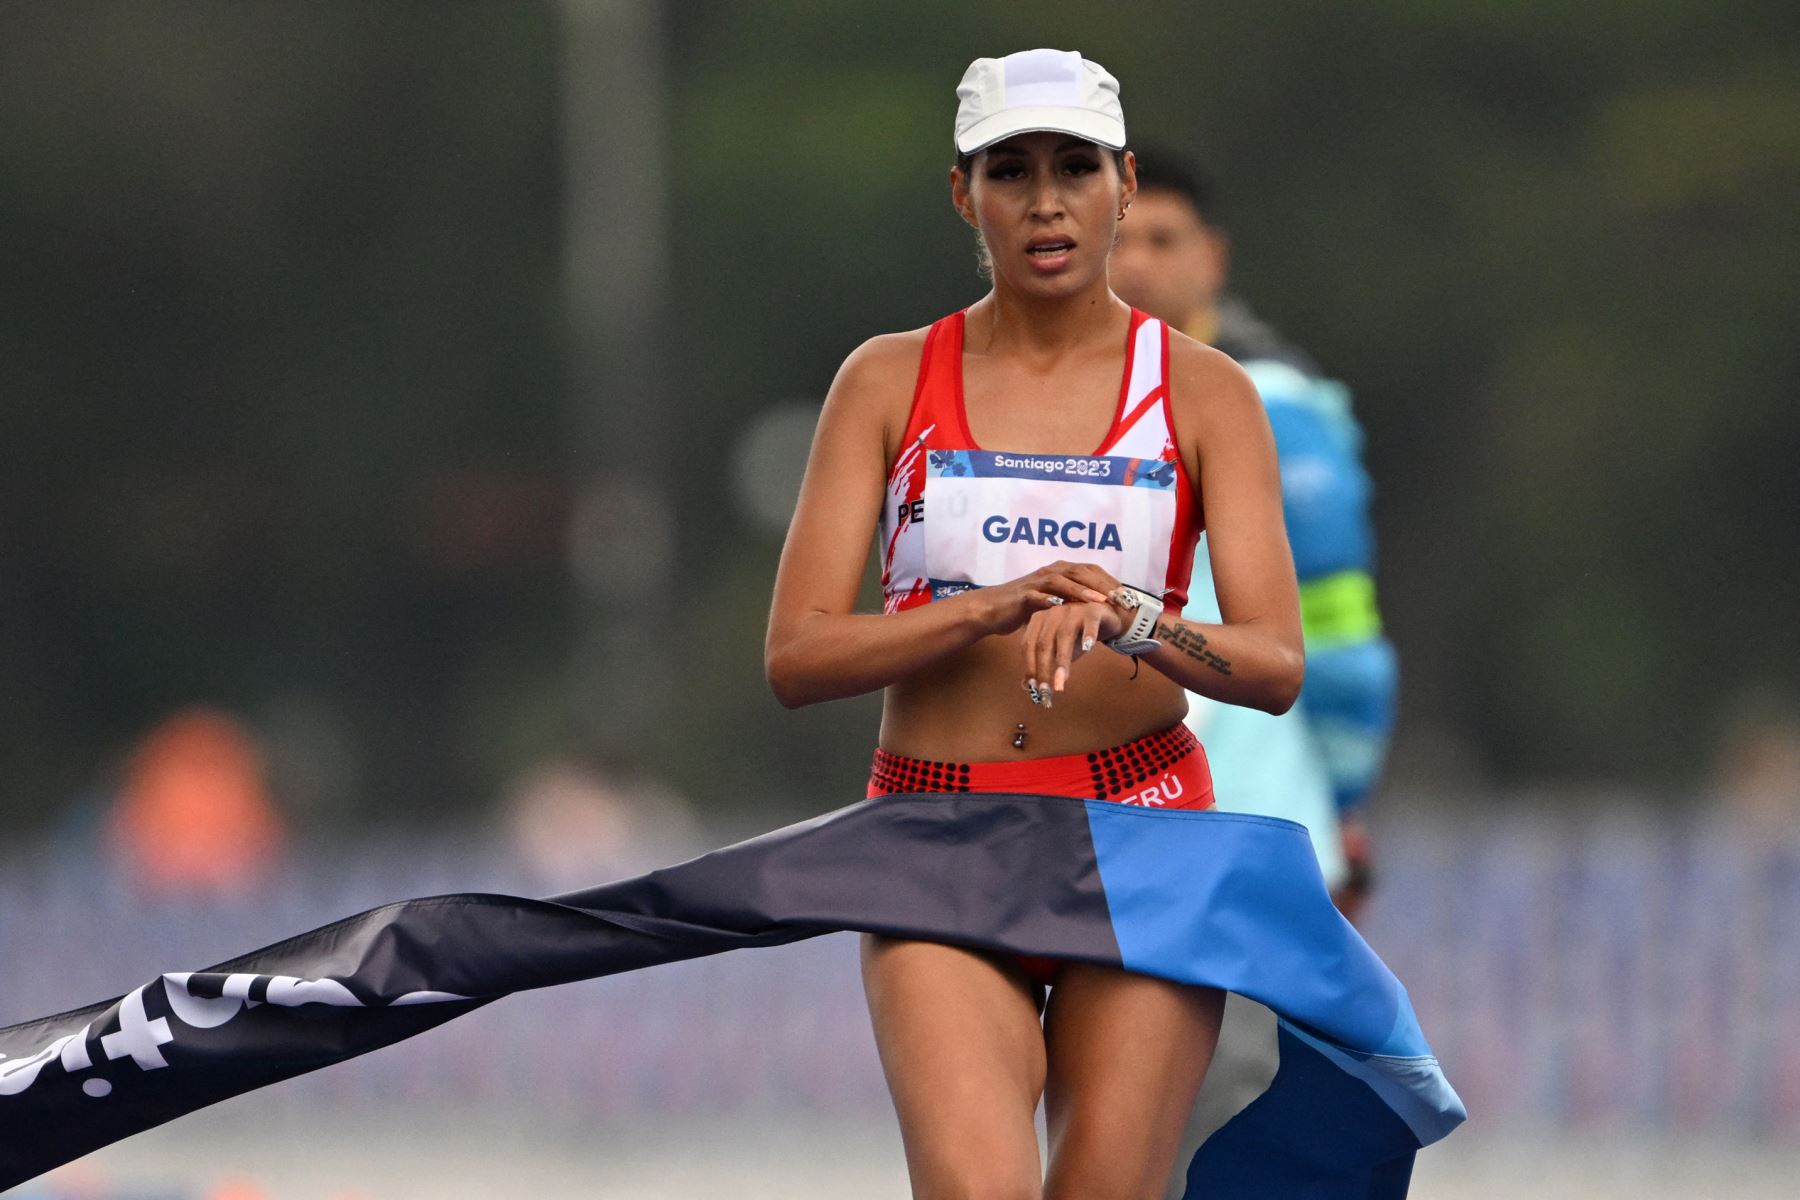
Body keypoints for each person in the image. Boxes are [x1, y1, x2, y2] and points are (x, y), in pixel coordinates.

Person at [765, 49, 1303, 1200]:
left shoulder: (1208, 393)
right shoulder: (885, 380)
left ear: (1123, 181)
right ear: (965, 195)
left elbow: (1273, 665)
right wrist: (986, 609)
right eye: (1011, 172)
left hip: (1143, 829)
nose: (1046, 201)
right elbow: (798, 656)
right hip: (935, 834)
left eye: (1074, 168)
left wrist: (1133, 617)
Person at [1109, 146, 1400, 1196]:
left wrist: (1349, 802)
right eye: (1118, 239)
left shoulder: (1273, 403)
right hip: (1099, 826)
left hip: (1248, 829)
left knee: (1222, 1120)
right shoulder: (1046, 402)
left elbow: (1342, 638)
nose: (1134, 262)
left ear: (1213, 258)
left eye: (1162, 238)